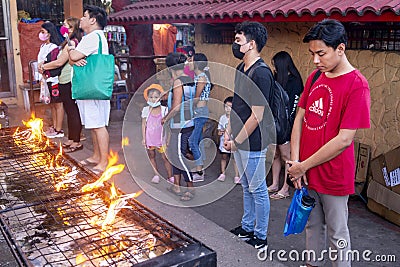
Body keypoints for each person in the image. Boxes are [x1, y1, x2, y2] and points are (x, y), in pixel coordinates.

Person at [287, 19, 370, 267]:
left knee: (337, 232)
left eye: (321, 53)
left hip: (334, 175)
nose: (315, 60)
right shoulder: (315, 77)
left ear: (340, 49)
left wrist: (303, 166)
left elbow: (344, 139)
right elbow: (299, 119)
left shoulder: (357, 85)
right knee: (311, 226)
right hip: (307, 171)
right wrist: (296, 163)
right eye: (312, 54)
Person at [224, 21, 272, 250]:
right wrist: (228, 132)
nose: (235, 44)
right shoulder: (240, 69)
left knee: (258, 189)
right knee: (246, 186)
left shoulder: (262, 73)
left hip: (253, 141)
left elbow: (258, 115)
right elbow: (236, 106)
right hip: (240, 138)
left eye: (238, 40)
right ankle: (247, 227)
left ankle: (260, 236)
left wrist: (238, 140)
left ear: (251, 44)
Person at [68, 5, 110, 174]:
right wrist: (74, 58)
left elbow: (73, 57)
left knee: (98, 125)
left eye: (84, 16)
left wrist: (71, 49)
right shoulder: (94, 37)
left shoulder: (92, 37)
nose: (81, 19)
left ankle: (104, 161)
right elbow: (73, 60)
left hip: (92, 88)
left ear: (93, 20)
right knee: (93, 124)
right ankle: (96, 156)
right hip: (91, 87)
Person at [40, 17, 83, 153]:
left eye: (65, 25)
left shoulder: (72, 42)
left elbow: (60, 62)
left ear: (71, 28)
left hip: (70, 80)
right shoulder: (66, 41)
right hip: (63, 79)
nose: (62, 27)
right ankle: (71, 138)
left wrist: (44, 66)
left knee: (73, 111)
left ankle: (76, 141)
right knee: (69, 111)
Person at [269, 51, 304, 199]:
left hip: (286, 125)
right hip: (274, 123)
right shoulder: (277, 78)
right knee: (275, 154)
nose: (274, 69)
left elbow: (292, 107)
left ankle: (285, 187)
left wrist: (287, 126)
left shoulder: (295, 82)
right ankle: (275, 183)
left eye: (275, 66)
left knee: (286, 156)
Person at [163, 52, 196, 202]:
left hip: (180, 124)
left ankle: (190, 188)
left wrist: (165, 118)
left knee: (179, 157)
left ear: (170, 68)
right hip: (188, 122)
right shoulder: (189, 79)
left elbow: (176, 106)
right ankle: (176, 185)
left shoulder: (177, 82)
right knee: (175, 154)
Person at [141, 84, 174, 184]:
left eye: (156, 97)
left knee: (165, 157)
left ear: (160, 98)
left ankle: (170, 176)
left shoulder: (164, 110)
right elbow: (143, 125)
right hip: (150, 138)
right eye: (151, 97)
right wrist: (144, 138)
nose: (153, 99)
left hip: (161, 138)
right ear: (147, 98)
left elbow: (168, 126)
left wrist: (168, 138)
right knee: (151, 155)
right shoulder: (146, 110)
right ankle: (156, 174)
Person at [37, 21, 64, 138]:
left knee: (58, 103)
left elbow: (53, 63)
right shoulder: (43, 46)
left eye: (43, 32)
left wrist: (43, 68)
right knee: (52, 103)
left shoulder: (54, 47)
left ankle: (59, 129)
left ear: (50, 33)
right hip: (46, 79)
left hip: (54, 79)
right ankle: (54, 125)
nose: (41, 34)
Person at [188, 53, 212, 182]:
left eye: (191, 61)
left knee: (192, 141)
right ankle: (200, 167)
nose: (189, 63)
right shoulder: (200, 76)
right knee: (198, 140)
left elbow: (196, 98)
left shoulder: (201, 78)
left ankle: (199, 170)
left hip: (200, 111)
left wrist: (188, 107)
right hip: (200, 111)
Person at [216, 96, 240, 184]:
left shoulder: (236, 118)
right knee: (224, 157)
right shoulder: (222, 118)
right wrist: (220, 132)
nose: (228, 109)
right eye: (226, 107)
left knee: (235, 159)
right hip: (224, 142)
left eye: (230, 107)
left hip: (233, 143)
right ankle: (223, 173)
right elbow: (219, 130)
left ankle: (237, 176)